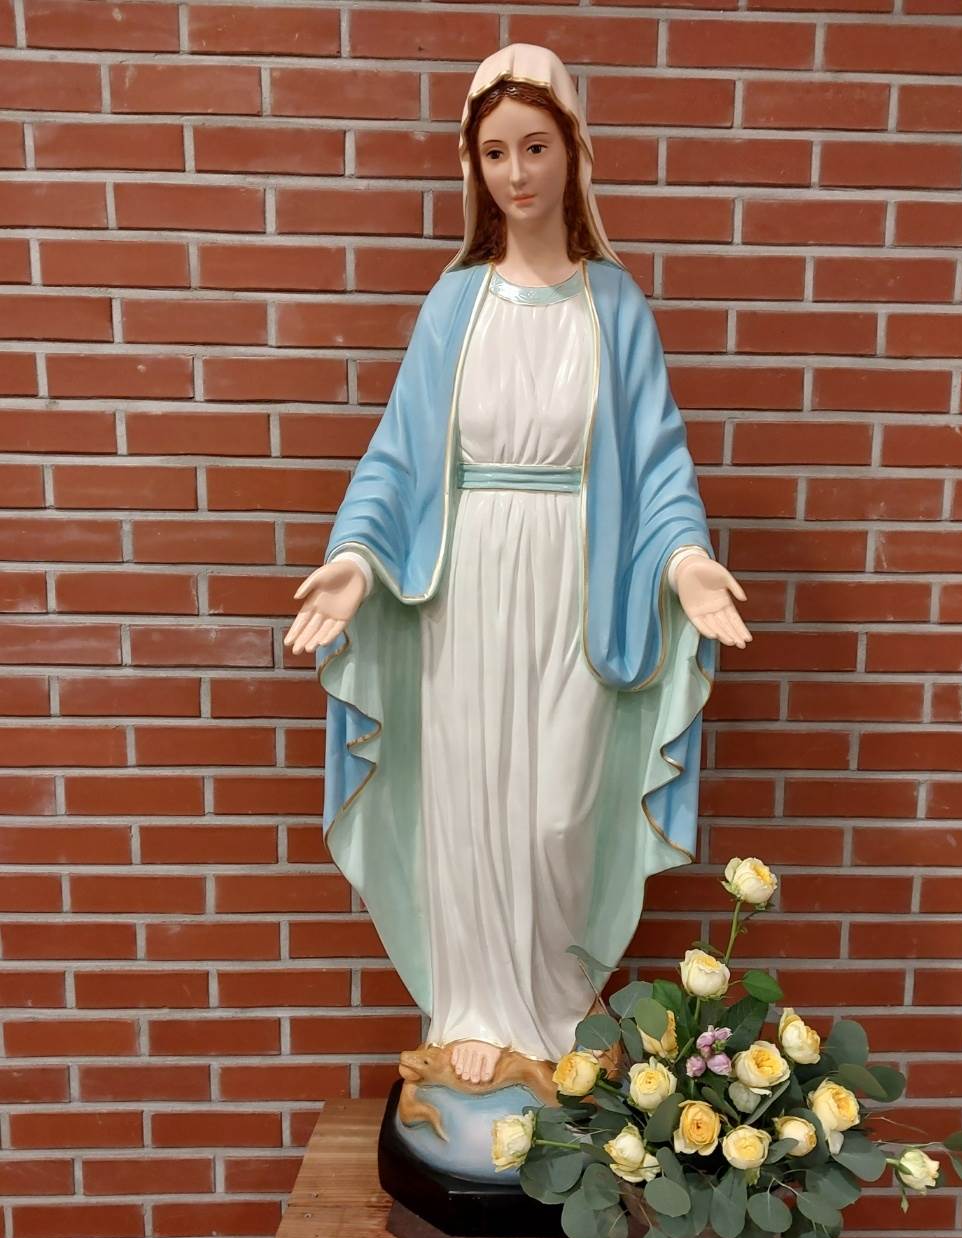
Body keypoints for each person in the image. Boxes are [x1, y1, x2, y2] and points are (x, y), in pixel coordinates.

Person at [284, 44, 752, 1098]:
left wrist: (686, 565)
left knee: (555, 819)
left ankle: (553, 1012)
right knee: (468, 800)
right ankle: (473, 1014)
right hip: (463, 594)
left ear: (572, 152)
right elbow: (399, 459)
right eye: (494, 152)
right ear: (473, 165)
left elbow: (657, 462)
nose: (516, 173)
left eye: (534, 147)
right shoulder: (454, 305)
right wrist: (355, 561)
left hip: (576, 589)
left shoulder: (613, 305)